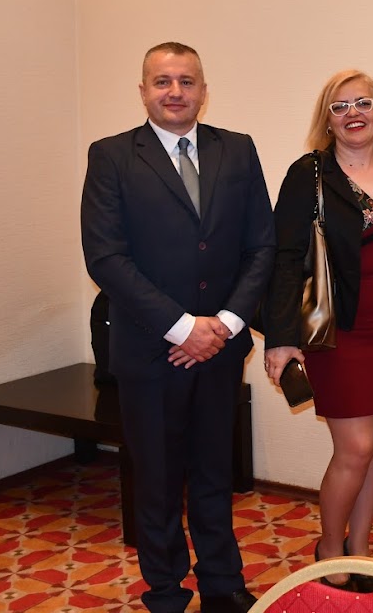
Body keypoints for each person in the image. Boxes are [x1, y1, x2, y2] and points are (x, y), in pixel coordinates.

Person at [80, 41, 275, 613]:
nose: (175, 92)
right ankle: (165, 590)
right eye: (162, 81)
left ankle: (222, 583)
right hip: (150, 351)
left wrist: (225, 325)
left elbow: (261, 246)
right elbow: (106, 257)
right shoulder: (112, 156)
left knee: (215, 472)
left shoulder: (237, 150)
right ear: (143, 91)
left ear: (203, 91)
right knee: (158, 480)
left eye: (187, 81)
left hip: (220, 348)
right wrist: (181, 326)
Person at [261, 70, 373, 592]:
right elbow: (285, 258)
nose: (353, 114)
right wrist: (281, 337)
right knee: (355, 447)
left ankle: (361, 549)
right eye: (340, 106)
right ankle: (330, 550)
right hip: (338, 330)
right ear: (326, 119)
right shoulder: (309, 174)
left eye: (363, 103)